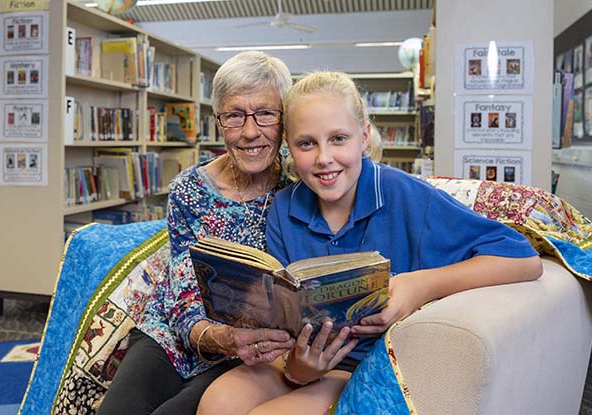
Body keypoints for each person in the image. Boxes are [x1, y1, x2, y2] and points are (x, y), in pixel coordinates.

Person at [198, 71, 543, 415]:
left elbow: (523, 259)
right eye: (307, 143)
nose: (323, 158)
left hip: (364, 364)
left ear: (363, 137)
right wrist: (297, 367)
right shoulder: (285, 207)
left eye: (338, 139)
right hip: (296, 359)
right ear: (288, 146)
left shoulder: (405, 194)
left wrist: (419, 285)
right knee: (217, 402)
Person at [96, 51, 296, 415]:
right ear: (218, 120)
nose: (250, 132)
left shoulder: (300, 185)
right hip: (179, 331)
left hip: (255, 350)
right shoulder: (189, 189)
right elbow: (185, 287)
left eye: (265, 113)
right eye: (234, 115)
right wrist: (216, 336)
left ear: (285, 119)